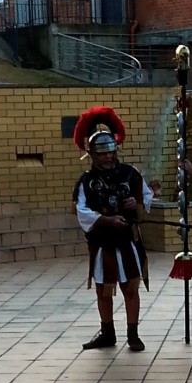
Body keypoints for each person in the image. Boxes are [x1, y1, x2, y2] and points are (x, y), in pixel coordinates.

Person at [73, 106, 152, 352]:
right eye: (102, 154)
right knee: (103, 290)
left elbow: (146, 197)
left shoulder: (131, 174)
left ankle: (133, 334)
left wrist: (135, 203)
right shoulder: (86, 181)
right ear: (93, 155)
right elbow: (82, 211)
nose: (108, 157)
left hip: (128, 239)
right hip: (102, 243)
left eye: (111, 152)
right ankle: (107, 332)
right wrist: (107, 220)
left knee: (130, 287)